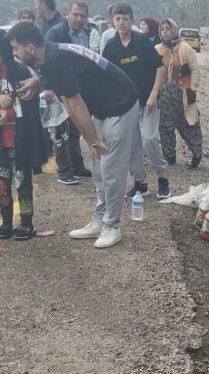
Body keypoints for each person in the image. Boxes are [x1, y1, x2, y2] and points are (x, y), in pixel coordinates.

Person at [8, 22, 140, 248]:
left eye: (15, 49)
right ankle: (100, 219)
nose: (14, 54)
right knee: (98, 167)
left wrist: (93, 141)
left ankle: (112, 225)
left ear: (30, 47)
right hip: (102, 106)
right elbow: (67, 102)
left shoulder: (55, 60)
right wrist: (90, 140)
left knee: (110, 168)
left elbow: (76, 104)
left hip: (120, 103)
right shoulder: (48, 56)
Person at [103, 3, 170, 199]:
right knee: (132, 143)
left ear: (131, 20)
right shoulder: (111, 45)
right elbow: (106, 73)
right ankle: (140, 183)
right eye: (118, 19)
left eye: (125, 18)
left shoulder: (141, 41)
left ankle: (162, 178)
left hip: (147, 100)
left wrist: (153, 94)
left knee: (149, 138)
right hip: (126, 103)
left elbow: (160, 68)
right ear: (112, 22)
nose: (121, 22)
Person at [0, 30, 48, 239]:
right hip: (1, 142)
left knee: (22, 182)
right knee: (2, 183)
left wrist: (8, 108)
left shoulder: (19, 71)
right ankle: (6, 222)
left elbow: (29, 103)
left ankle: (27, 223)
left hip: (19, 139)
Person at [44, 1, 94, 184]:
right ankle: (63, 170)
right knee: (60, 131)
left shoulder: (84, 34)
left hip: (77, 89)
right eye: (75, 15)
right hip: (58, 89)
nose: (79, 19)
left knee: (75, 130)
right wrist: (47, 86)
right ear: (67, 14)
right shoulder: (56, 33)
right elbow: (44, 60)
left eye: (82, 16)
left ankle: (77, 167)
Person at [156, 18, 203, 168]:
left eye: (168, 29)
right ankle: (169, 156)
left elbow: (195, 70)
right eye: (162, 29)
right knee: (165, 126)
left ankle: (196, 154)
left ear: (174, 30)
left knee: (188, 124)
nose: (165, 32)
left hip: (182, 90)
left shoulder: (185, 48)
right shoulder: (157, 48)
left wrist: (192, 90)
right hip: (163, 92)